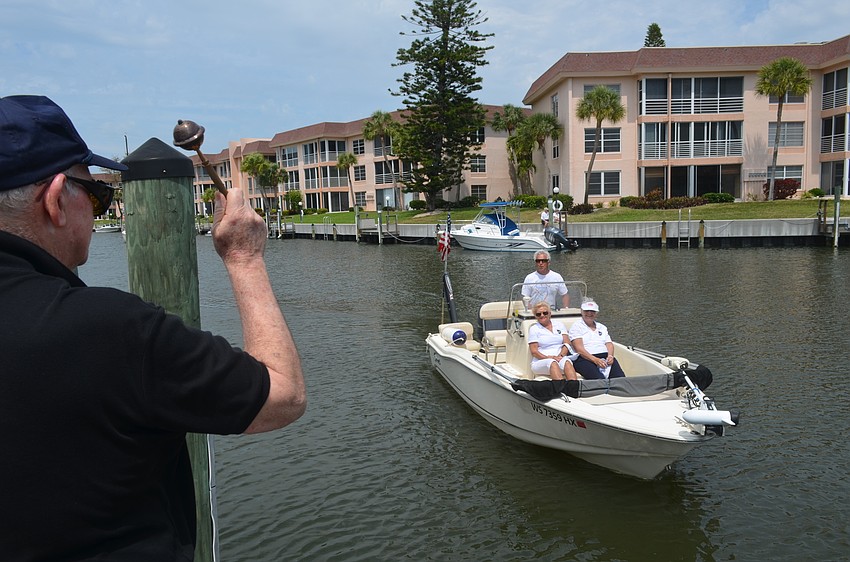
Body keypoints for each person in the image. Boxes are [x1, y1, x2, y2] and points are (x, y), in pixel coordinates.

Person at [0, 95, 306, 560]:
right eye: (98, 196)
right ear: (56, 200)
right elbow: (282, 396)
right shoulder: (108, 331)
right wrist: (245, 257)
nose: (100, 210)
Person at [568, 299, 626, 379]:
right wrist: (595, 360)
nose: (589, 313)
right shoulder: (576, 327)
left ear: (596, 313)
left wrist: (610, 356)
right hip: (585, 358)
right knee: (599, 380)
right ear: (581, 311)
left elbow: (609, 344)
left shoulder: (602, 327)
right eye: (586, 311)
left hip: (605, 357)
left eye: (592, 311)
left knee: (621, 379)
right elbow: (579, 349)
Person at [528, 302, 578, 380]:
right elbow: (534, 351)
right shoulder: (534, 329)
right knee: (552, 363)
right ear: (535, 316)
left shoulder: (559, 325)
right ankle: (560, 388)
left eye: (545, 313)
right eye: (538, 314)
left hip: (559, 357)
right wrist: (549, 357)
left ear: (550, 313)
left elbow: (567, 343)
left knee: (567, 362)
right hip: (541, 361)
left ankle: (574, 388)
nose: (542, 315)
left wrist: (560, 356)